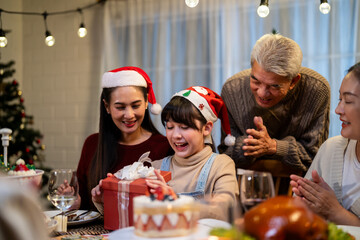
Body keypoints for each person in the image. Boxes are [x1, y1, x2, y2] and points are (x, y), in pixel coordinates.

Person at [218, 33, 330, 175]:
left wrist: (275, 147)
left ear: (293, 81)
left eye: (274, 86)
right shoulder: (232, 90)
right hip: (245, 185)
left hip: (300, 186)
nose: (262, 93)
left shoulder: (316, 90)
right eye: (255, 81)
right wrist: (251, 146)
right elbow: (225, 154)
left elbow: (315, 156)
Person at [75, 66, 173, 210]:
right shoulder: (92, 144)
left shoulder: (164, 146)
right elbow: (83, 205)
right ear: (107, 106)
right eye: (120, 107)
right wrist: (74, 202)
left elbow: (171, 201)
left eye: (135, 105)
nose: (129, 115)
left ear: (146, 103)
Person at [146, 86, 238, 221]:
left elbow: (225, 208)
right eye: (170, 127)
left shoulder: (221, 164)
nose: (176, 135)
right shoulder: (156, 168)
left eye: (184, 127)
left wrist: (175, 201)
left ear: (206, 128)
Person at [290, 62, 360, 226]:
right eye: (339, 99)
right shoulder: (332, 149)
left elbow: (332, 212)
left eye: (348, 101)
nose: (337, 109)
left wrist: (335, 212)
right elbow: (298, 210)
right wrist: (304, 205)